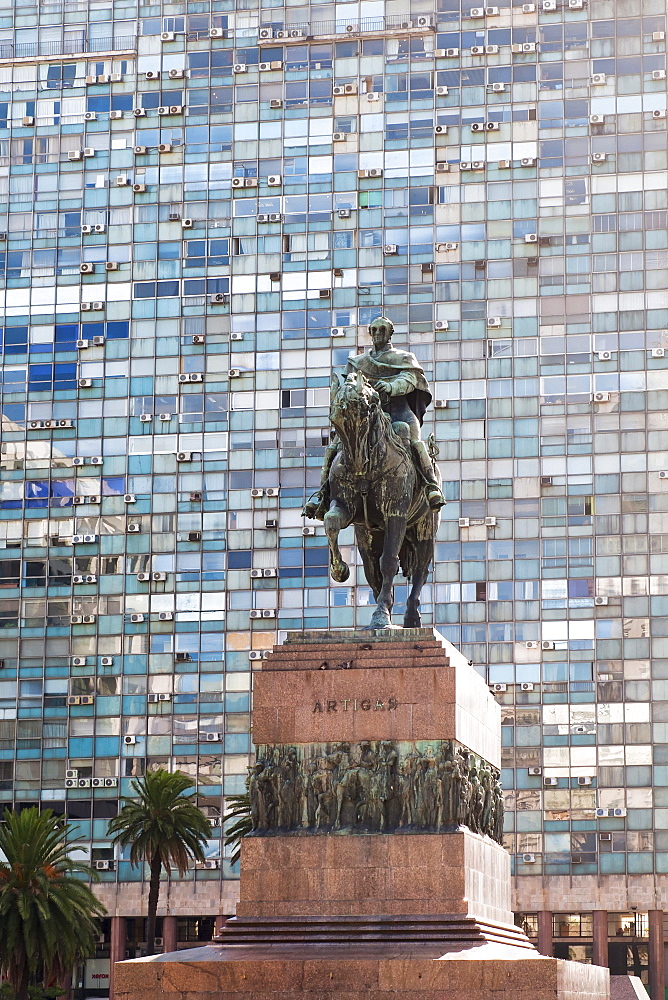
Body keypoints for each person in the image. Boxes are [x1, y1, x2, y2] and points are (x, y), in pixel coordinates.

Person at [303, 315, 446, 519]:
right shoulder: (357, 362)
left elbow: (409, 380)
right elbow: (348, 385)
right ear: (370, 333)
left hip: (398, 410)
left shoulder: (403, 358)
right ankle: (322, 494)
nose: (378, 334)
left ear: (390, 333)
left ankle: (431, 486)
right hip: (365, 414)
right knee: (336, 444)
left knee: (414, 440)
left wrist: (390, 387)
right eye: (375, 330)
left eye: (383, 330)